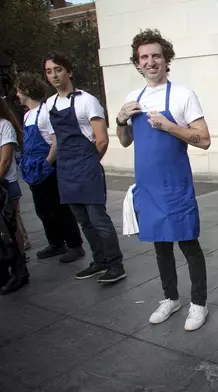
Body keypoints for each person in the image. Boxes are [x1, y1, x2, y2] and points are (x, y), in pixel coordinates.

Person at [116, 29, 211, 331]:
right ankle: (171, 298)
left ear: (166, 59)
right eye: (144, 57)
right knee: (160, 247)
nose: (151, 61)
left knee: (188, 244)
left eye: (156, 55)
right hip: (148, 186)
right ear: (138, 63)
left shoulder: (183, 95)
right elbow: (124, 141)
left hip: (175, 185)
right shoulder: (134, 98)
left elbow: (205, 140)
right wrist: (120, 120)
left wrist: (170, 126)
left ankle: (198, 303)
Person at [44, 51, 125, 283]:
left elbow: (102, 139)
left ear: (68, 71)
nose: (54, 75)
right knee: (83, 221)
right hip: (66, 170)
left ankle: (115, 264)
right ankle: (99, 262)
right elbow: (57, 139)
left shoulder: (87, 100)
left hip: (86, 166)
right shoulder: (50, 104)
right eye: (49, 71)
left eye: (58, 69)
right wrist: (48, 163)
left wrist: (89, 164)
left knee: (98, 219)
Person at [15, 72, 85, 264]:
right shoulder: (28, 114)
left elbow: (56, 142)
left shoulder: (45, 112)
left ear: (27, 90)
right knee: (43, 209)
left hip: (48, 168)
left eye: (19, 90)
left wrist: (46, 164)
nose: (17, 95)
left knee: (59, 208)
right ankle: (55, 242)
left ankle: (74, 245)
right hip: (34, 170)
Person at [0, 97, 29, 294]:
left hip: (5, 185)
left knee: (10, 229)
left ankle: (20, 271)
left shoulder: (4, 126)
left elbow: (5, 160)